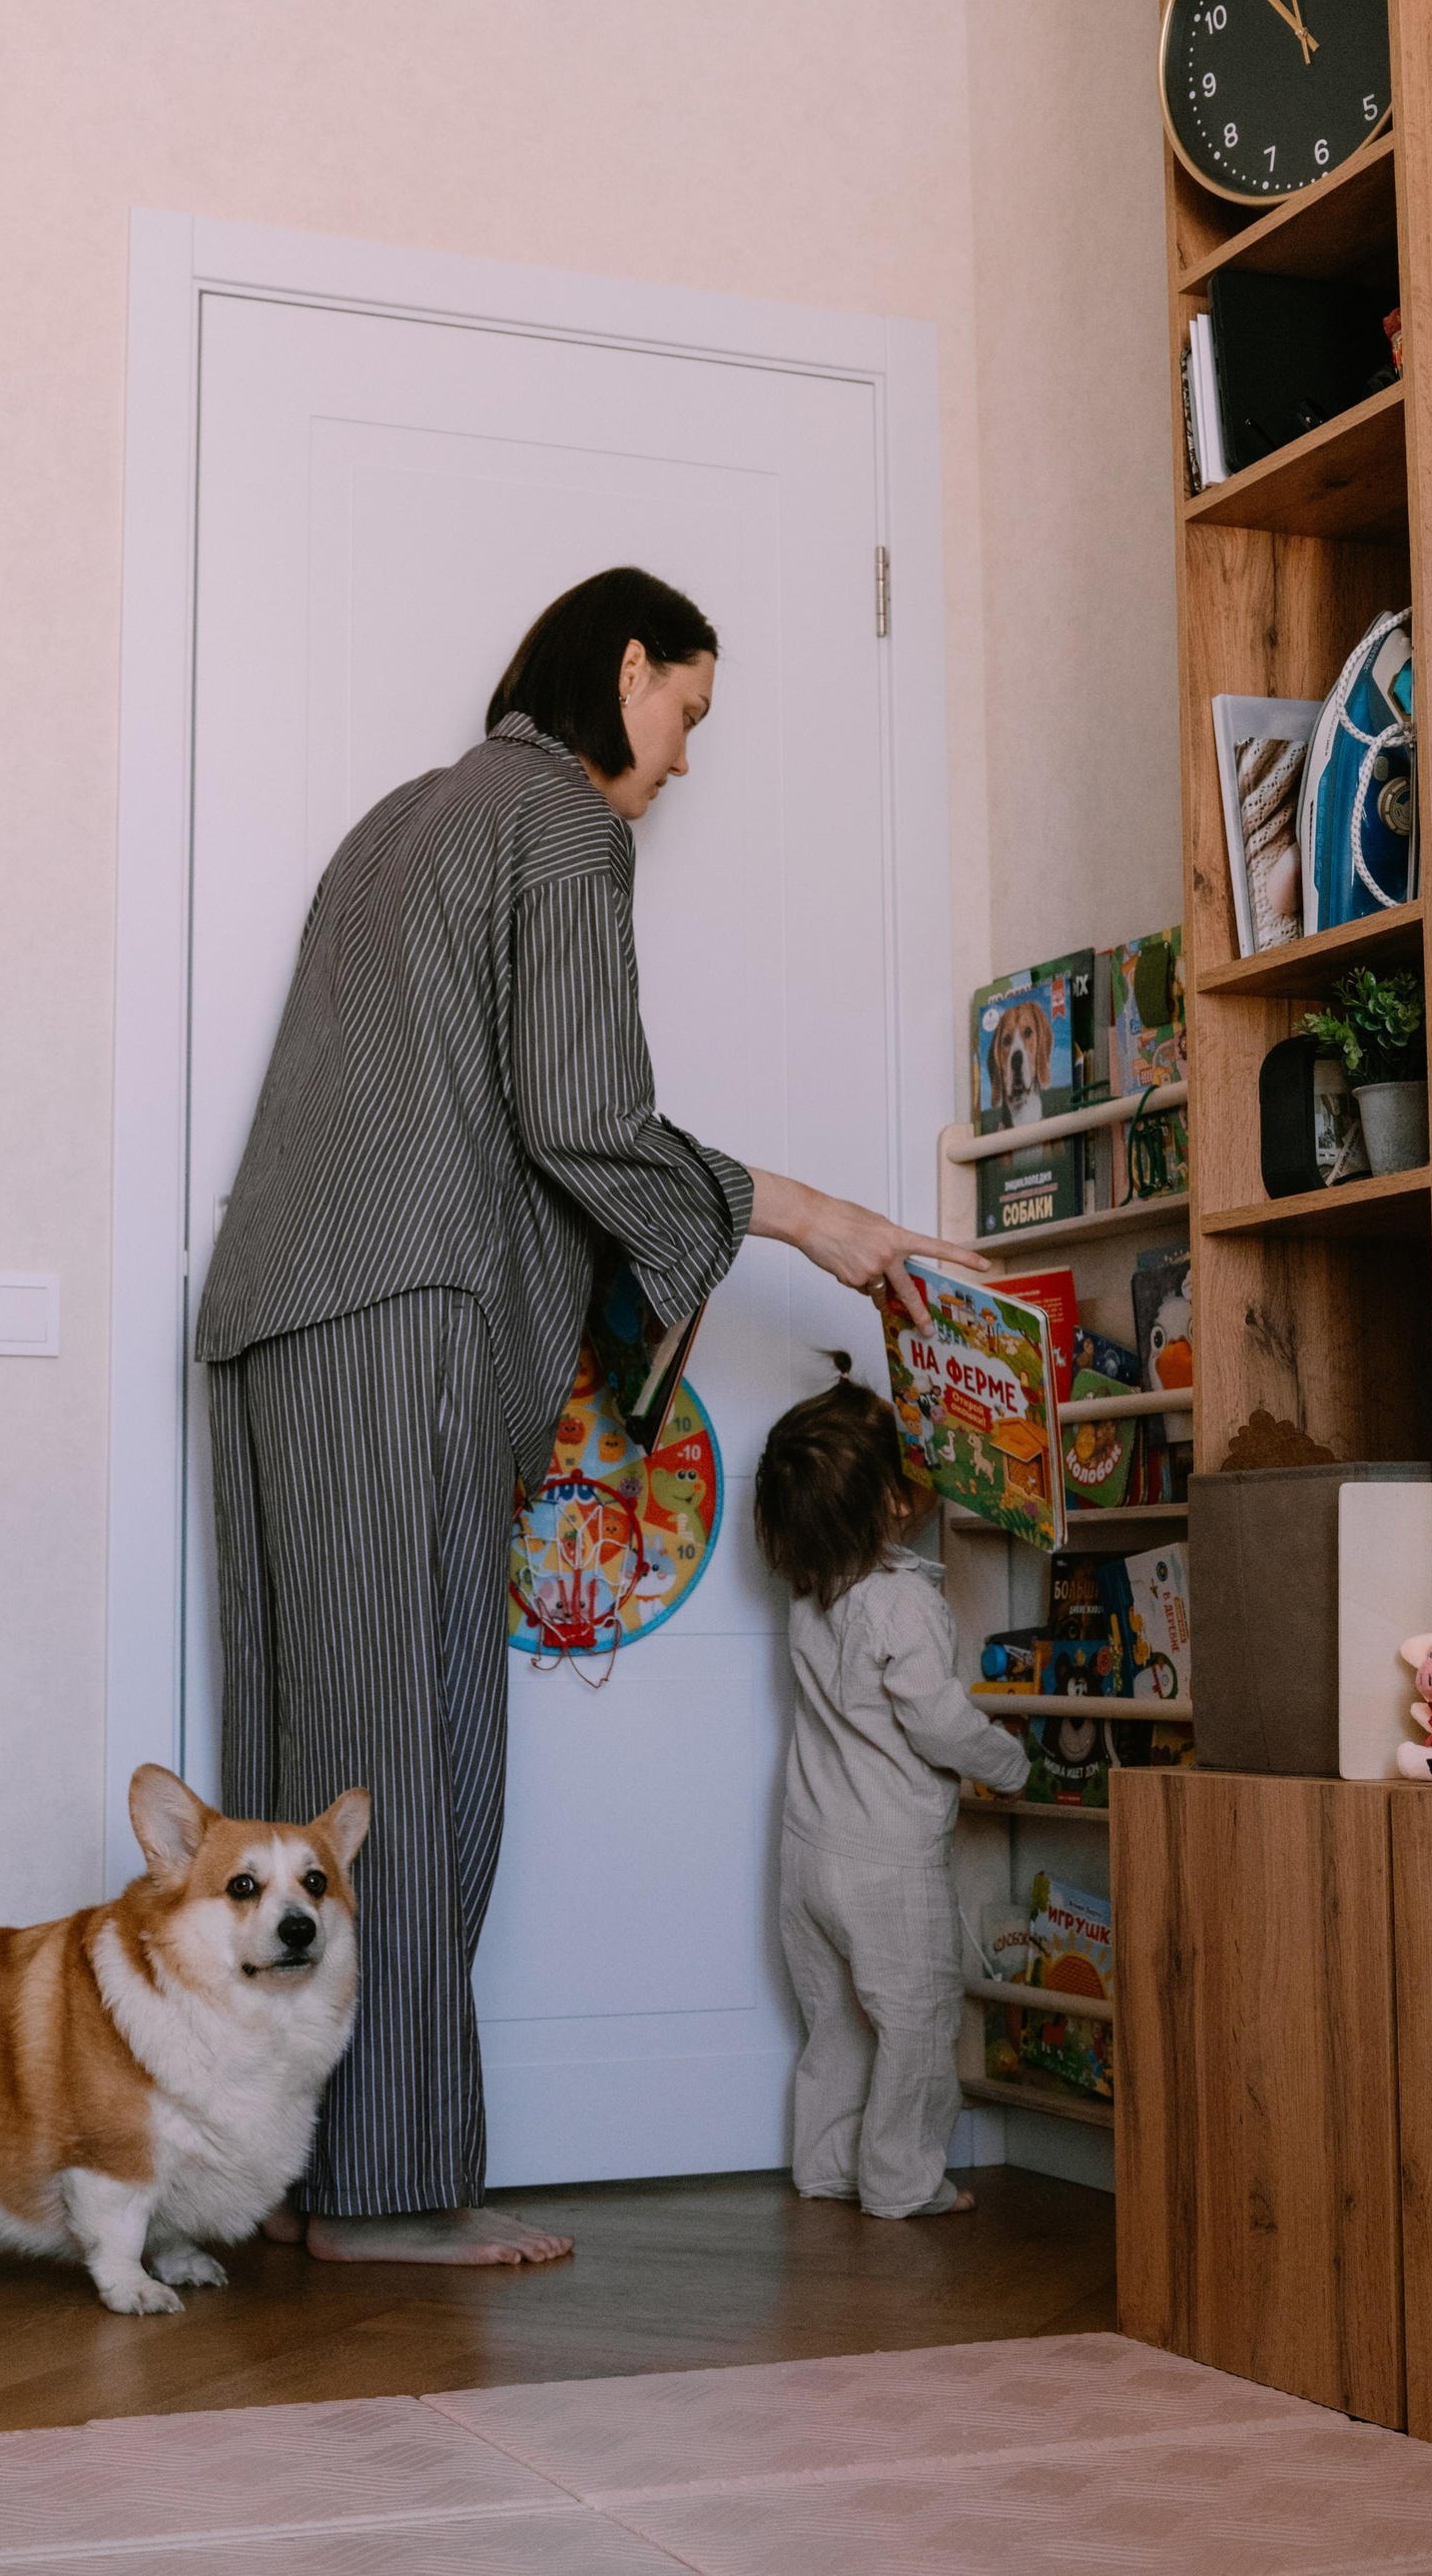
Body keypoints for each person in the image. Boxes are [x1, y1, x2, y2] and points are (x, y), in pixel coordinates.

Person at [196, 566, 984, 2266]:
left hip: (269, 1317)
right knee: (407, 1761)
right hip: (398, 1315)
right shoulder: (559, 817)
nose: (685, 761)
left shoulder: (394, 824)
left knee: (290, 1784)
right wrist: (821, 1221)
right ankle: (390, 2194)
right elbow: (583, 1114)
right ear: (627, 670)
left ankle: (282, 2172)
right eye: (687, 712)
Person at [754, 1355, 1029, 2218]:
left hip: (807, 1853)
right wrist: (1008, 1761)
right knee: (916, 2019)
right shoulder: (902, 1605)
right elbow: (937, 1723)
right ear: (893, 1504)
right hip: (886, 1864)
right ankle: (902, 2181)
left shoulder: (809, 1596)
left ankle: (828, 2164)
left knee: (837, 2022)